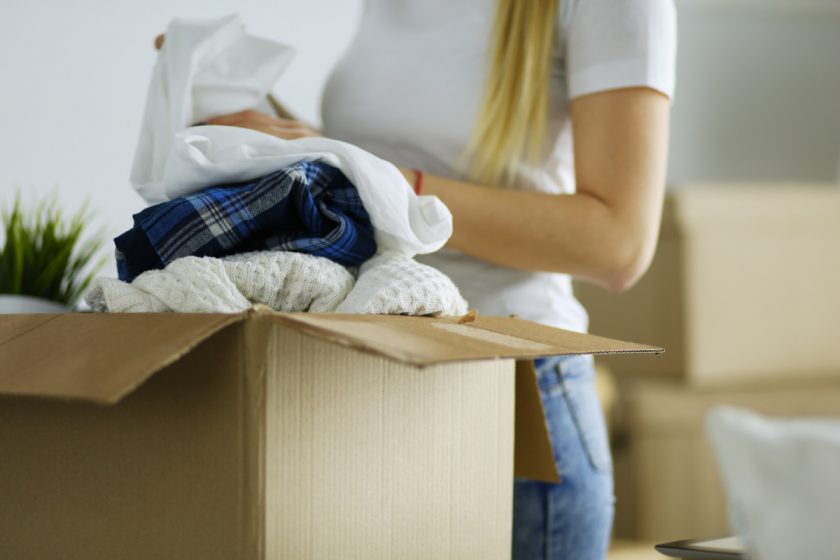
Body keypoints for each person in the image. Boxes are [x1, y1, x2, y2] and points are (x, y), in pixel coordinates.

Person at [166, 0, 677, 557]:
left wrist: (374, 175)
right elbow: (379, 179)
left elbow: (618, 244)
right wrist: (256, 126)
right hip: (380, 379)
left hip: (511, 397)